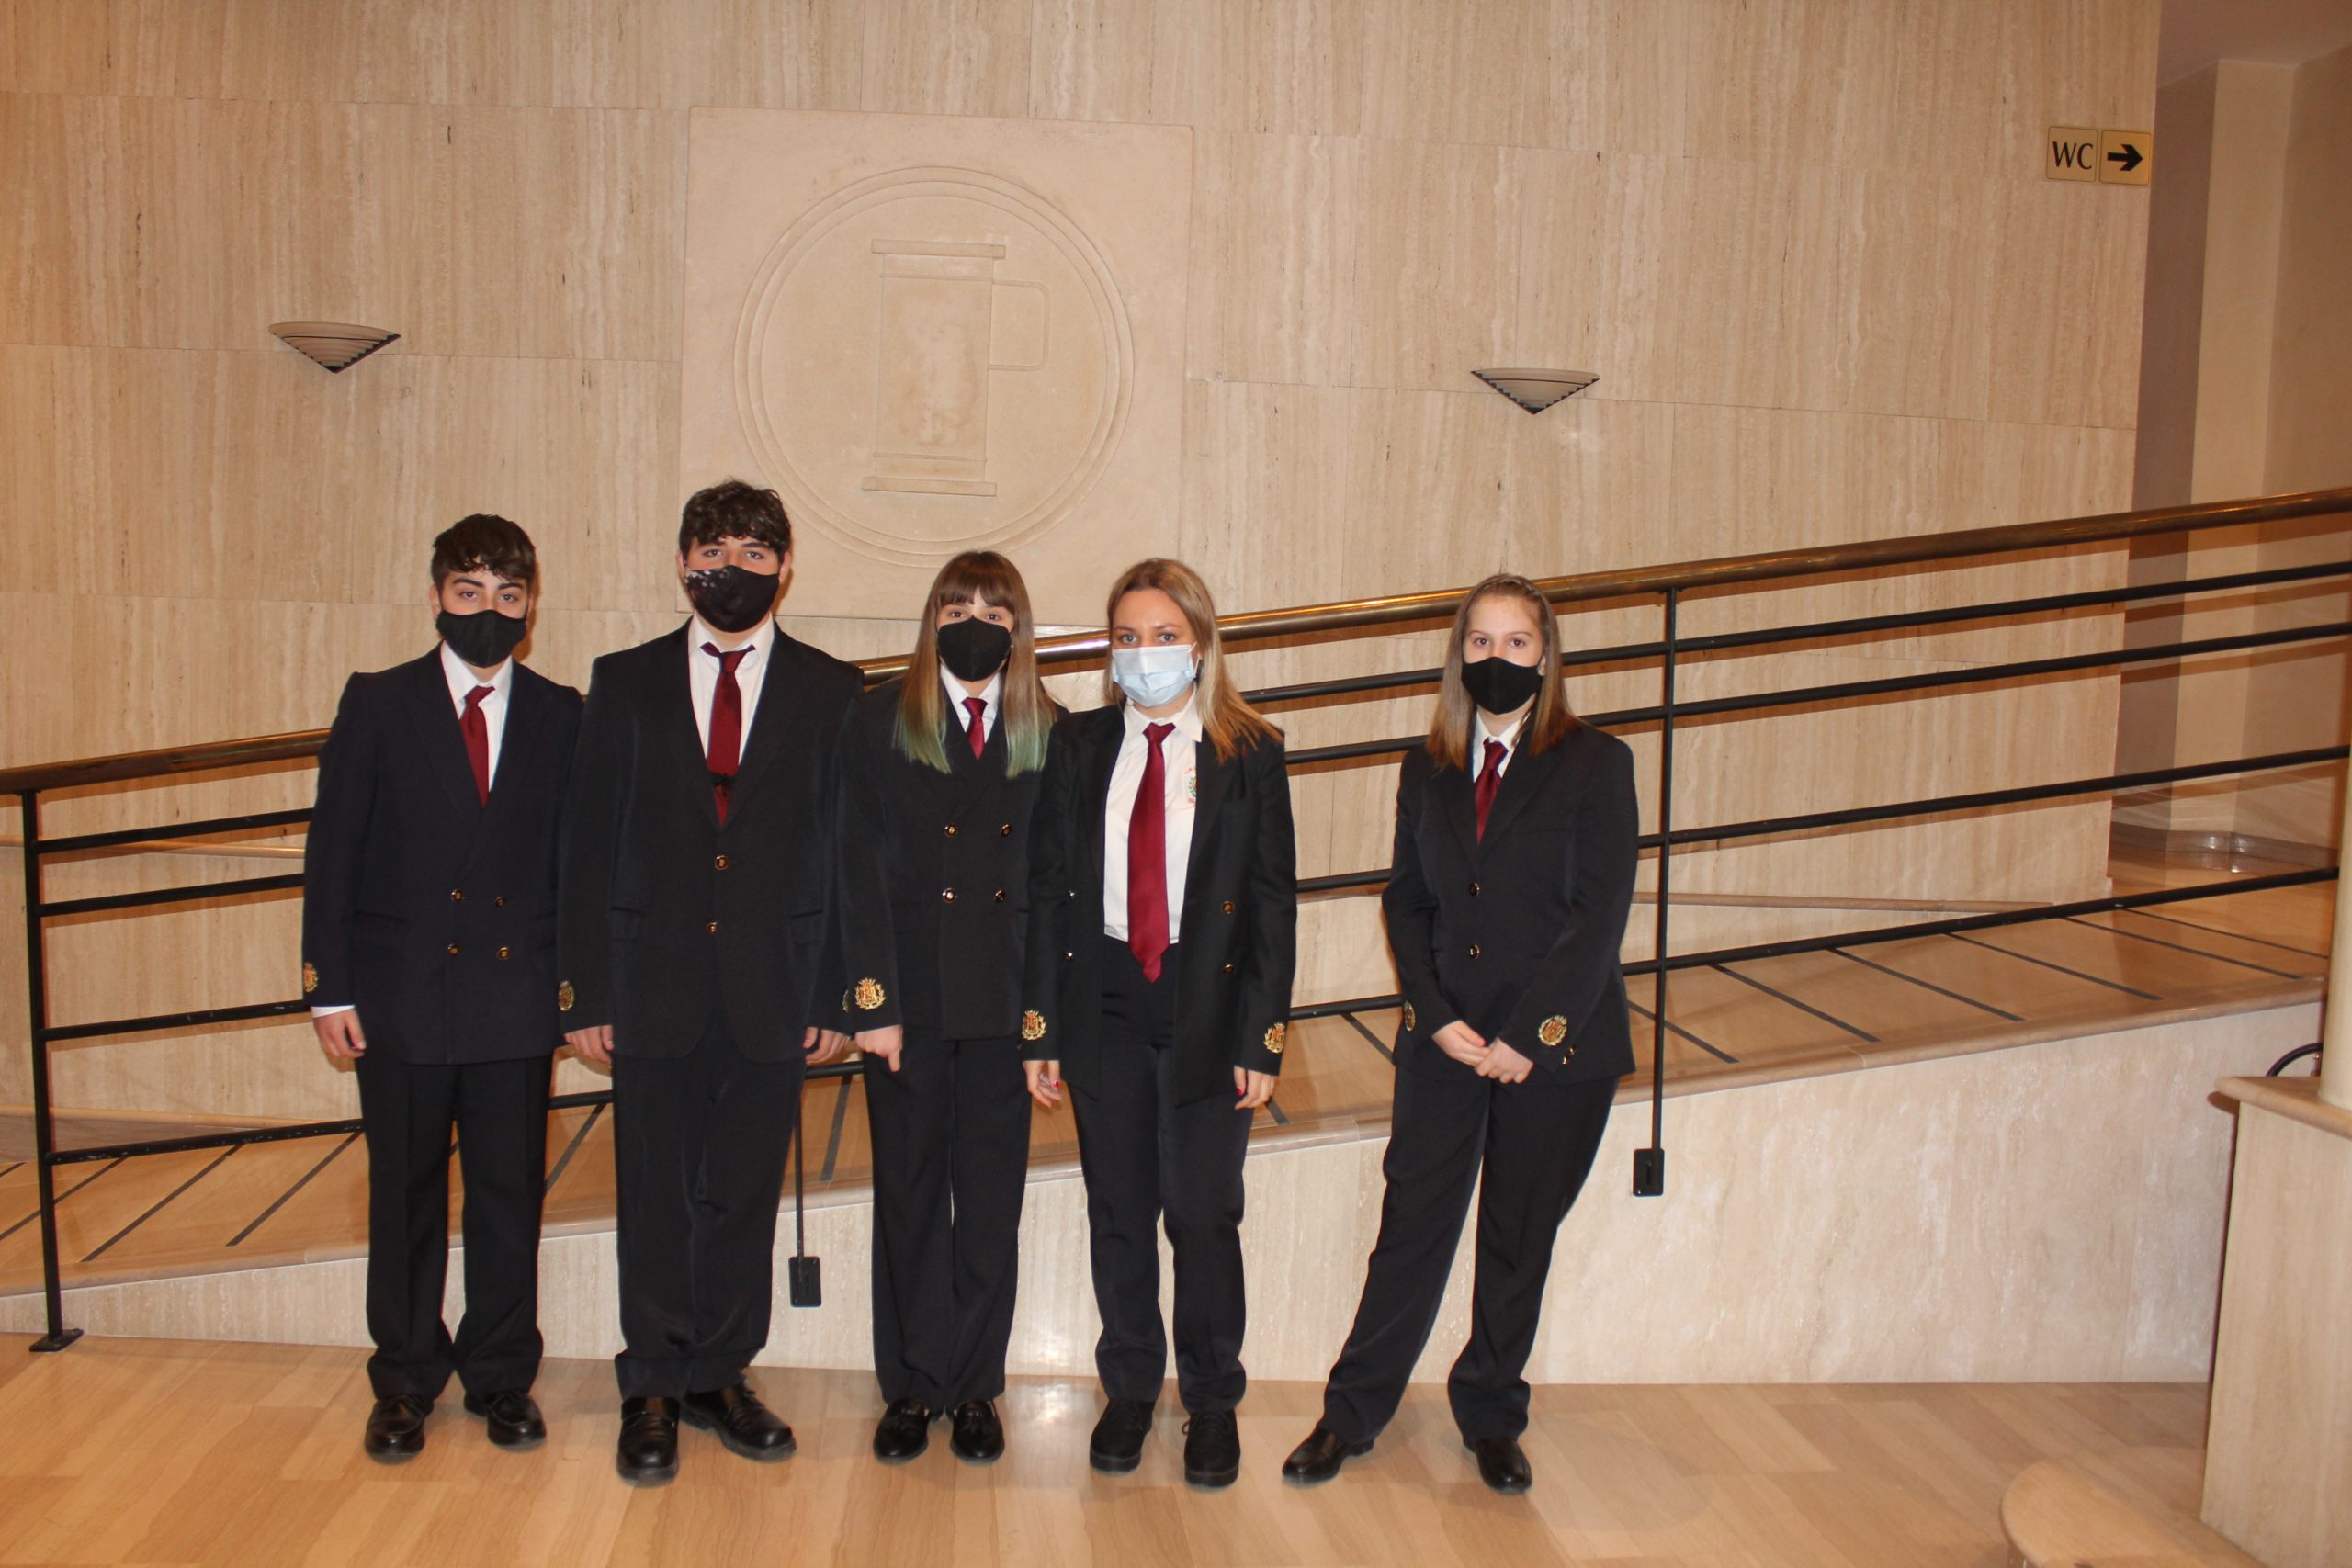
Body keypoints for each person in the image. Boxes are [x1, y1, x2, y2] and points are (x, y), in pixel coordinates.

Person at [1281, 573, 1637, 1495]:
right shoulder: (1426, 767)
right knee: (1411, 1227)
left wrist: (1531, 1036)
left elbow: (1598, 916)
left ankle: (1491, 1414)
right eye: (1480, 642)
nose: (1496, 658)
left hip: (1554, 1051)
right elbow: (1407, 900)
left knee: (1517, 1238)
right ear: (1458, 655)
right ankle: (1351, 1412)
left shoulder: (1597, 763)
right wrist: (1435, 1016)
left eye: (1516, 643)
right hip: (1446, 1042)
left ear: (1546, 657)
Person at [557, 479, 859, 1485]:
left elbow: (844, 850)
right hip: (652, 983)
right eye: (713, 550)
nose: (733, 568)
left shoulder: (831, 688)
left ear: (785, 567)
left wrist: (836, 993)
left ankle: (721, 1373)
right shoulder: (624, 680)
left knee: (742, 1194)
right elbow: (587, 843)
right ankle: (650, 1382)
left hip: (778, 987)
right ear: (683, 562)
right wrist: (584, 991)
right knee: (655, 1194)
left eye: (754, 552)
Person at [301, 513, 582, 1461]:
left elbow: (574, 867)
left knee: (509, 1195)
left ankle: (501, 1374)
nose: (488, 611)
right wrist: (328, 989)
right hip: (400, 997)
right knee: (405, 1196)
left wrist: (578, 993)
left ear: (530, 607)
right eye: (469, 592)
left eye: (508, 595)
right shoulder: (379, 702)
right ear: (435, 598)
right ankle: (405, 1378)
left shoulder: (561, 713)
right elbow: (333, 851)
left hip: (514, 996)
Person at [1020, 558, 1296, 1489]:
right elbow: (1047, 891)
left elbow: (1272, 902)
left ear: (1201, 644)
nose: (1146, 654)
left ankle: (1211, 1399)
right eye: (1128, 637)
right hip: (1103, 999)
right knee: (1119, 1208)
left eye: (1165, 636)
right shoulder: (1079, 743)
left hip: (1207, 1005)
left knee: (1203, 1214)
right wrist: (1040, 1030)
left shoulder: (1250, 750)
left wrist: (1263, 1037)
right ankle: (1131, 1387)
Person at [834, 551, 1061, 1466]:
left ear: (1019, 629)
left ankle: (973, 1386)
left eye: (994, 611)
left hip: (1004, 1002)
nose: (975, 623)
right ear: (932, 619)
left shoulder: (1051, 729)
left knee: (992, 1203)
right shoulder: (877, 717)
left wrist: (1043, 1025)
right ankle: (911, 1383)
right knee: (911, 1193)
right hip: (911, 1000)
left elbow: (1056, 890)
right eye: (957, 606)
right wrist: (872, 1001)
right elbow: (854, 866)